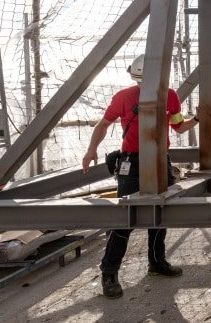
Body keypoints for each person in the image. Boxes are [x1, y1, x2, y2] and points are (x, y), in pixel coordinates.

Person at [81, 54, 199, 299]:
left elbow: (177, 126)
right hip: (133, 162)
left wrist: (197, 119)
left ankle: (156, 262)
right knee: (126, 219)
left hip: (159, 159)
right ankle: (109, 273)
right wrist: (91, 150)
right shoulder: (126, 97)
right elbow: (103, 124)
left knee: (160, 213)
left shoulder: (170, 96)